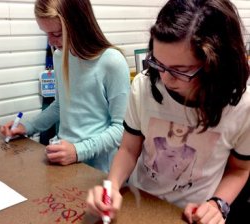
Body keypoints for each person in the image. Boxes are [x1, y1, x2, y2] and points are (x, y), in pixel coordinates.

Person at [86, 0, 250, 223]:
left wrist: (218, 204)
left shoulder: (242, 106)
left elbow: (240, 169)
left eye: (180, 71)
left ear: (215, 64)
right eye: (158, 63)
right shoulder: (145, 87)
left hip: (190, 215)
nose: (165, 78)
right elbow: (128, 149)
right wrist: (111, 185)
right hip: (139, 203)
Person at [0, 0, 130, 173]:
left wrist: (78, 151)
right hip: (63, 160)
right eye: (46, 34)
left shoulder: (112, 61)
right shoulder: (60, 56)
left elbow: (121, 128)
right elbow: (61, 105)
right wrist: (27, 127)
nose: (51, 42)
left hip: (98, 169)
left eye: (57, 33)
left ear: (80, 24)